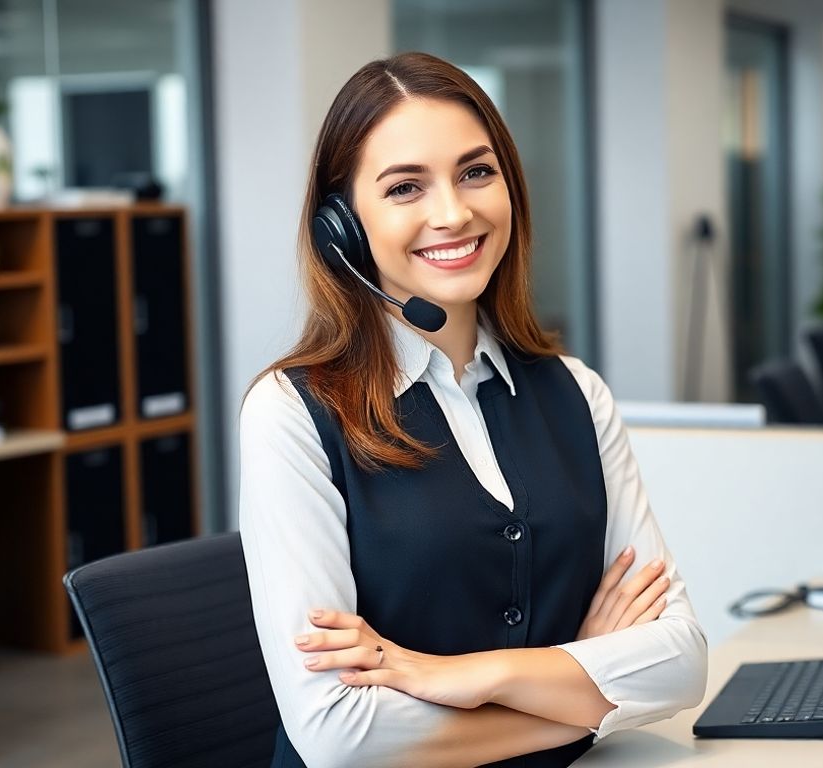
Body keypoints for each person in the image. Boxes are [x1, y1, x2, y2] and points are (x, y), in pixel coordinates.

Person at [238, 52, 707, 768]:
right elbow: (338, 735)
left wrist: (452, 676)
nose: (454, 213)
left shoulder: (575, 393)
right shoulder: (292, 415)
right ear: (343, 226)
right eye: (405, 187)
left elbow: (680, 663)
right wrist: (587, 696)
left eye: (476, 172)